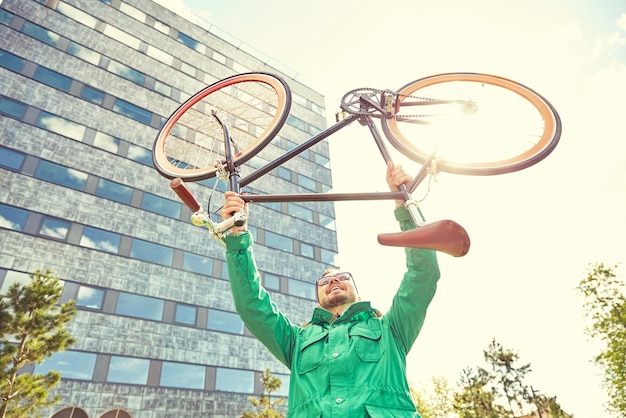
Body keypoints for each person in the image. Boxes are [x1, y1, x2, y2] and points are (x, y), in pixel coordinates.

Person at [220, 162, 440, 417]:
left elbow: (422, 275)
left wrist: (405, 206)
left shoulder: (392, 329)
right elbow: (253, 306)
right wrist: (237, 236)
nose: (333, 281)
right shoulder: (295, 341)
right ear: (317, 297)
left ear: (358, 290)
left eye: (342, 277)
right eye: (324, 281)